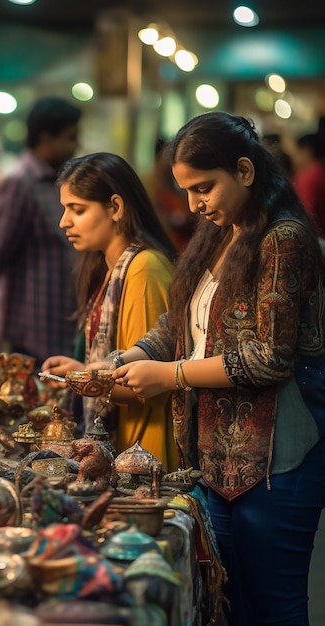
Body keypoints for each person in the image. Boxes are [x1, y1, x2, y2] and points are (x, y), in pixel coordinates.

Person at [107, 112, 325, 625]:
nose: (193, 205)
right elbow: (182, 324)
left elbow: (269, 356)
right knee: (230, 602)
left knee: (274, 605)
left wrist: (173, 375)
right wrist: (125, 361)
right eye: (185, 190)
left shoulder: (283, 238)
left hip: (277, 460)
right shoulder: (220, 232)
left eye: (203, 188)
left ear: (245, 171)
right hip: (214, 460)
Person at [39, 152, 179, 470]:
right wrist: (80, 370)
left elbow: (141, 385)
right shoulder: (113, 267)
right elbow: (119, 364)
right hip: (128, 437)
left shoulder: (144, 268)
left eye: (78, 209)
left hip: (142, 445)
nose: (64, 221)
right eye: (65, 209)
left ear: (115, 207)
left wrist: (83, 380)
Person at [0, 96, 82, 364]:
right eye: (70, 137)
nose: (76, 146)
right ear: (45, 138)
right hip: (33, 329)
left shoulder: (57, 182)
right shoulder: (20, 183)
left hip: (64, 321)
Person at [292, 132, 325, 235]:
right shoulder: (320, 170)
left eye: (297, 151)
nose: (294, 157)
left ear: (307, 150)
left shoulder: (307, 176)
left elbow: (306, 212)